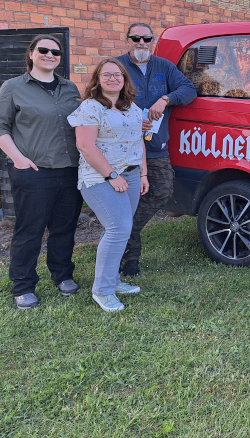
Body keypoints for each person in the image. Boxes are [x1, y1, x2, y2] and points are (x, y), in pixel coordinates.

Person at [0, 34, 83, 309]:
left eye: (55, 52)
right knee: (30, 230)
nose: (50, 55)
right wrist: (18, 159)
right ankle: (23, 284)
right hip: (33, 170)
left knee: (64, 228)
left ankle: (63, 275)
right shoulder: (13, 87)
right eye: (43, 50)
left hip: (69, 170)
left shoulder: (70, 88)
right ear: (31, 53)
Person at [115, 22, 196, 277]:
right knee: (123, 199)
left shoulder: (163, 66)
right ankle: (129, 263)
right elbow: (98, 98)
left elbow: (188, 89)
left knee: (161, 191)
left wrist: (166, 99)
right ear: (127, 40)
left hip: (156, 147)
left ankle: (127, 231)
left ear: (152, 42)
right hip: (122, 149)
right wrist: (129, 116)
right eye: (136, 38)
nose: (141, 43)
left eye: (146, 39)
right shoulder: (115, 67)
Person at [68, 59, 149, 312]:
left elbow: (139, 141)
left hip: (132, 174)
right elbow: (85, 146)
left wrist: (143, 174)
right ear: (98, 79)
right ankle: (102, 290)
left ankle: (112, 280)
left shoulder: (131, 107)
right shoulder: (90, 108)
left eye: (118, 74)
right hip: (100, 177)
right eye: (107, 75)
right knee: (119, 227)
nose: (113, 78)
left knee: (119, 229)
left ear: (124, 79)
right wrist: (113, 176)